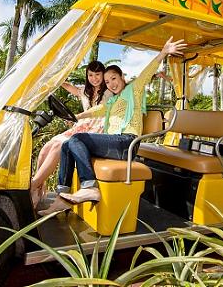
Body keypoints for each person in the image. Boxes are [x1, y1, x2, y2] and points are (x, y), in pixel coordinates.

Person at [40, 37, 186, 215]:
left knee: (77, 138)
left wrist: (163, 53)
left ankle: (89, 187)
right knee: (67, 145)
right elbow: (96, 111)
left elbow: (147, 73)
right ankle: (61, 198)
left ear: (122, 77)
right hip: (115, 142)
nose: (111, 83)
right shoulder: (113, 101)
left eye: (114, 78)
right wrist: (74, 116)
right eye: (107, 82)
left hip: (127, 143)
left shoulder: (134, 90)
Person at [31, 60, 113, 208]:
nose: (94, 78)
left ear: (103, 75)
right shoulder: (85, 92)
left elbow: (100, 110)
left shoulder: (108, 91)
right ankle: (38, 188)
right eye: (90, 75)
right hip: (80, 126)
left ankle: (32, 186)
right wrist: (56, 76)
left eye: (98, 74)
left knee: (58, 145)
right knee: (45, 149)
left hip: (95, 128)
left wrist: (79, 116)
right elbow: (69, 86)